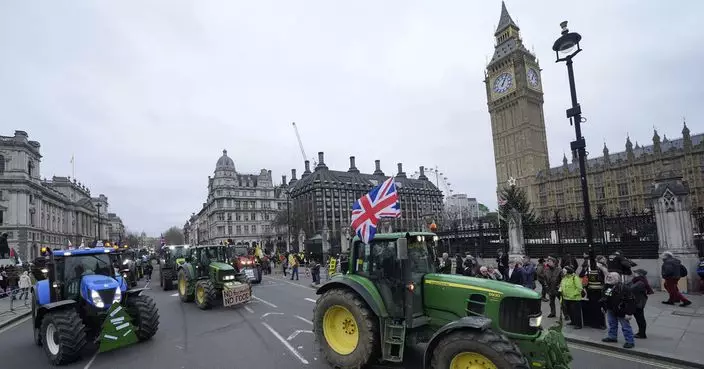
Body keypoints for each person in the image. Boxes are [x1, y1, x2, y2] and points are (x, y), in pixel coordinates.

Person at [601, 272, 636, 348]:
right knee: (612, 324)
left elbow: (631, 300)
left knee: (625, 327)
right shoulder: (608, 286)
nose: (608, 278)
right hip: (611, 309)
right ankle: (612, 337)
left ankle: (630, 341)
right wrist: (604, 307)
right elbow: (605, 298)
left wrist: (629, 313)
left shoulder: (624, 288)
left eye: (611, 277)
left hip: (621, 310)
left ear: (617, 279)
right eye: (608, 277)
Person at [627, 269, 653, 339]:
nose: (634, 273)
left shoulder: (640, 282)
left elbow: (631, 289)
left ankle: (642, 334)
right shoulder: (637, 280)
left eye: (635, 272)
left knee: (640, 319)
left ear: (639, 274)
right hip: (637, 301)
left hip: (638, 302)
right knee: (639, 318)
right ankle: (641, 333)